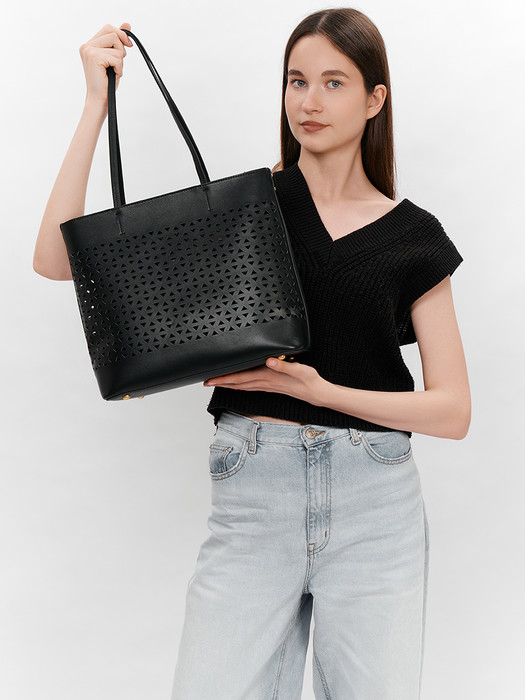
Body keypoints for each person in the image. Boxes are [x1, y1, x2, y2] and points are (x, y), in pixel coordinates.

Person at [33, 8, 471, 700]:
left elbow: (451, 411)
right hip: (254, 488)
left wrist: (319, 391)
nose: (309, 101)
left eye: (333, 82)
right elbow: (58, 261)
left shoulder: (413, 236)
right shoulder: (247, 206)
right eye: (297, 81)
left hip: (376, 503)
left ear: (374, 99)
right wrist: (96, 105)